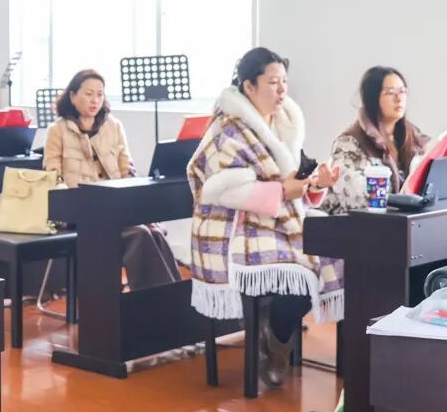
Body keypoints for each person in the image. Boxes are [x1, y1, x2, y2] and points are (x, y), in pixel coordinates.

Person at [187, 48, 342, 388]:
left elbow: (294, 180)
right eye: (273, 82)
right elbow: (222, 191)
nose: (282, 89)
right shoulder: (227, 129)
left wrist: (317, 183)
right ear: (249, 86)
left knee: (332, 256)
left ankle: (275, 334)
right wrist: (285, 191)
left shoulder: (285, 121)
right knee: (301, 272)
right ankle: (277, 343)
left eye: (284, 81)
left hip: (278, 221)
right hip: (236, 226)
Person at [44, 69, 182, 290]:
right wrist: (73, 206)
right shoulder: (57, 130)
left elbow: (127, 171)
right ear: (72, 96)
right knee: (139, 234)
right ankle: (156, 302)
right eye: (89, 94)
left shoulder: (114, 126)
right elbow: (52, 178)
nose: (95, 100)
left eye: (100, 94)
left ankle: (172, 297)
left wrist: (141, 209)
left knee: (155, 231)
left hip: (116, 208)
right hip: (80, 213)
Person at [322, 66, 429, 215]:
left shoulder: (414, 138)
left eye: (402, 91)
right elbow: (352, 197)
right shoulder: (349, 142)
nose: (399, 98)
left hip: (400, 222)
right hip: (356, 223)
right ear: (373, 98)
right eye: (390, 93)